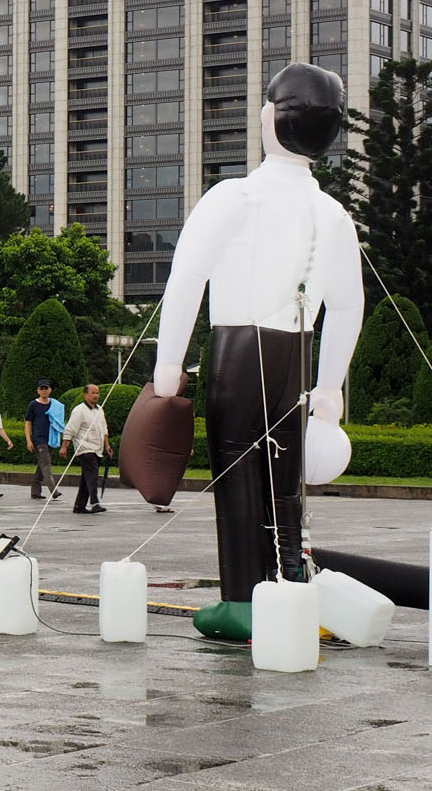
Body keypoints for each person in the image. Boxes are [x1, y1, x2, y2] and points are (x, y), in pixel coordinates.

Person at [133, 63, 364, 640]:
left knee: (236, 471)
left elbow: (186, 280)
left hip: (238, 350)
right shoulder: (334, 215)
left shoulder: (234, 196)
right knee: (286, 476)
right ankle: (289, 581)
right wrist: (331, 385)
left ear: (269, 119)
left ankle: (242, 600)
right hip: (298, 355)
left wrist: (166, 367)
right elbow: (350, 306)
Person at [61, 384, 112, 515]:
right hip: (85, 448)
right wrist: (64, 446)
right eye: (93, 393)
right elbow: (70, 429)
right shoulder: (79, 410)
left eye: (97, 393)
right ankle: (94, 502)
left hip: (97, 448)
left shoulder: (100, 410)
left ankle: (79, 505)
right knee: (93, 474)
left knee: (86, 478)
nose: (96, 395)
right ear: (85, 395)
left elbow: (104, 429)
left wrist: (107, 445)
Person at [25, 379, 64, 500]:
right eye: (41, 388)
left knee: (42, 465)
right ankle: (54, 490)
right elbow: (28, 423)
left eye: (46, 388)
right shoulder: (33, 405)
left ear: (50, 390)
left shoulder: (55, 405)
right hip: (39, 439)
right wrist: (28, 440)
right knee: (46, 464)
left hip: (51, 439)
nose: (44, 391)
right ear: (38, 391)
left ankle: (35, 491)